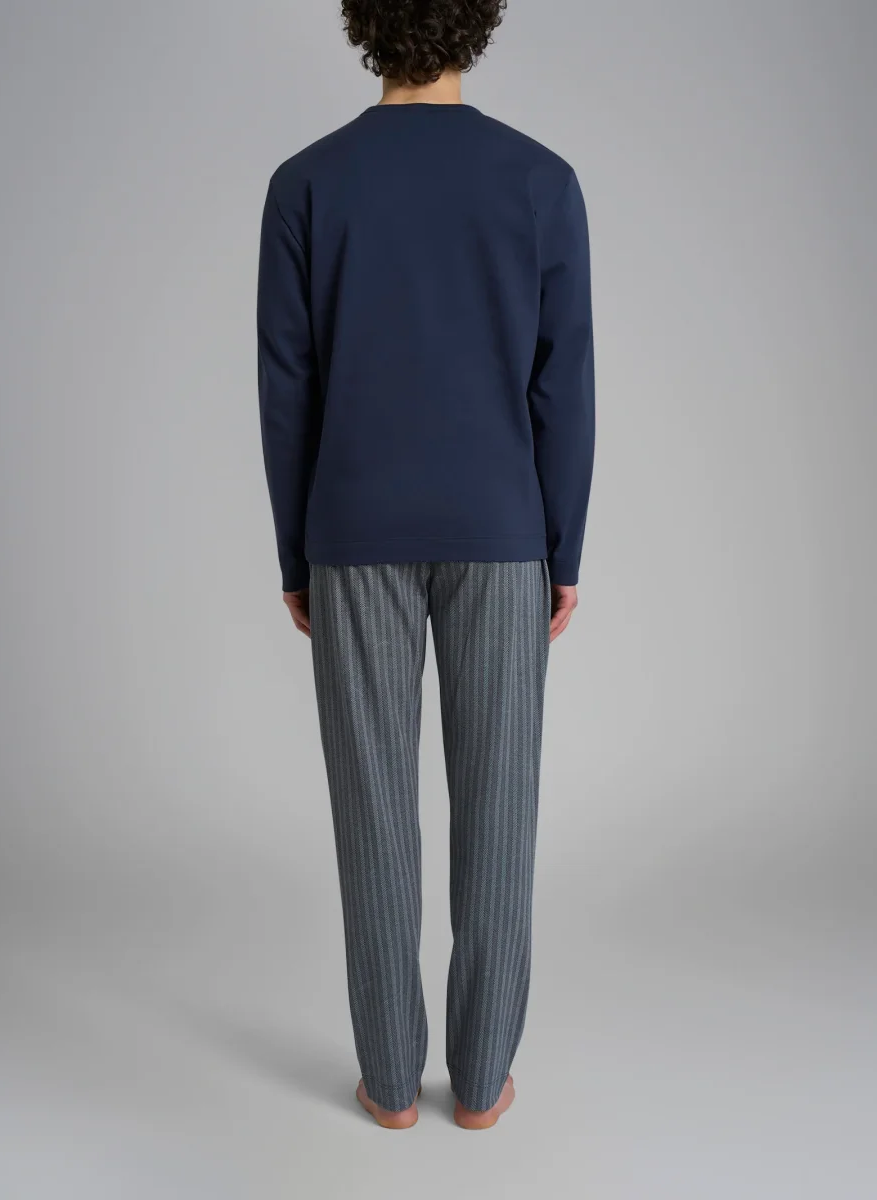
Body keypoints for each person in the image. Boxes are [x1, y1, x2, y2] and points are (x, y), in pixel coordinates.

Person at [256, 0, 594, 1131]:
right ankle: (483, 1082)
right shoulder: (540, 180)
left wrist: (297, 549)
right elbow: (562, 386)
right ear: (477, 22)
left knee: (373, 817)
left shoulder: (306, 185)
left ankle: (392, 1082)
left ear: (365, 21)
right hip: (502, 531)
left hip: (353, 530)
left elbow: (287, 388)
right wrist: (563, 546)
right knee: (500, 814)